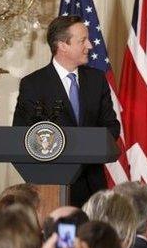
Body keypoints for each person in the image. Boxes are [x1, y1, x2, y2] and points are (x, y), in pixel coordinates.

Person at [13, 15, 120, 207]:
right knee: (63, 237)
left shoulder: (97, 80)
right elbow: (22, 133)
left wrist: (85, 149)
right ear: (62, 45)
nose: (89, 45)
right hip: (50, 186)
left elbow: (112, 127)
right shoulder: (33, 84)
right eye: (82, 41)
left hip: (93, 188)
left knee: (90, 238)